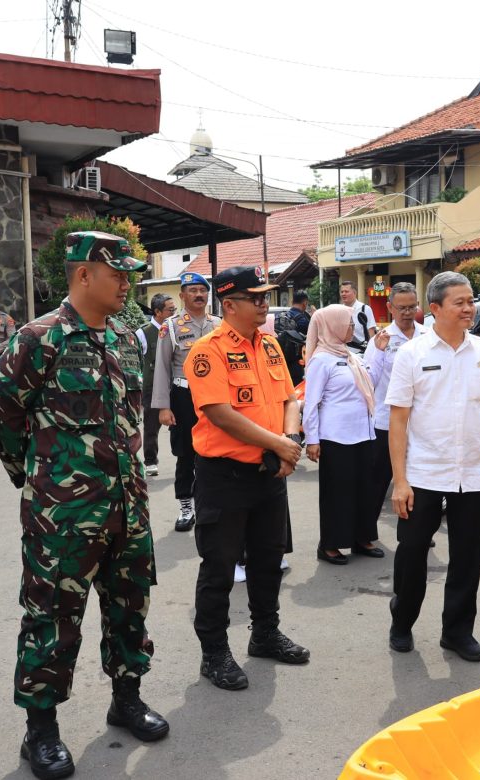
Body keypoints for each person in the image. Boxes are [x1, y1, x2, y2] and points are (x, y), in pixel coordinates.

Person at [0, 231, 168, 779]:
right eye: (118, 273)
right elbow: (2, 415)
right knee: (51, 620)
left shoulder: (126, 339)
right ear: (84, 273)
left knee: (129, 608)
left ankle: (126, 698)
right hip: (61, 517)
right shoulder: (40, 338)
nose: (126, 283)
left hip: (128, 508)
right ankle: (40, 730)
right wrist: (39, 478)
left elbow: (130, 421)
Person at [184, 264, 309, 691]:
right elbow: (220, 414)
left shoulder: (271, 344)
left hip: (269, 472)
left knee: (267, 559)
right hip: (225, 475)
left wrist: (288, 438)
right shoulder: (208, 351)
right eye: (254, 297)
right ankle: (214, 652)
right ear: (229, 303)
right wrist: (279, 445)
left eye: (265, 296)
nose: (263, 303)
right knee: (219, 567)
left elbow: (290, 396)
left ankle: (265, 633)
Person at [385, 271, 480, 662]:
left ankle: (457, 632)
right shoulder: (412, 354)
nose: (469, 308)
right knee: (412, 554)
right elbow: (399, 420)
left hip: (472, 474)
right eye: (460, 302)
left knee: (468, 557)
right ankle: (402, 621)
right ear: (435, 309)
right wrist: (400, 481)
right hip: (423, 473)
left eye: (471, 300)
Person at [303, 305, 388, 564]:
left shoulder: (350, 356)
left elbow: (369, 384)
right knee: (337, 494)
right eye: (349, 323)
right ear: (334, 326)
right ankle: (330, 544)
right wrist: (313, 440)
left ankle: (361, 538)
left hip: (362, 433)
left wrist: (380, 352)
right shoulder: (321, 360)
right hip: (335, 437)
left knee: (364, 490)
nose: (353, 327)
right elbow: (311, 402)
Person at [152, 271, 219, 531]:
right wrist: (163, 407)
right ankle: (186, 507)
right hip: (184, 397)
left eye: (203, 290)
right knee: (185, 453)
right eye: (193, 291)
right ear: (182, 296)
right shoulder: (171, 327)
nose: (199, 294)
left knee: (215, 451)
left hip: (214, 398)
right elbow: (162, 368)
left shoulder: (219, 325)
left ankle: (210, 503)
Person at [362, 282, 427, 536]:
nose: (407, 313)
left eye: (412, 307)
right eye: (401, 308)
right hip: (386, 424)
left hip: (420, 424)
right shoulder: (381, 340)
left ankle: (416, 532)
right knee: (377, 482)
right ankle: (365, 535)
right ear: (389, 308)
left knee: (418, 481)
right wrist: (379, 353)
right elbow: (369, 382)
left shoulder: (427, 336)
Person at [137, 293, 174, 478]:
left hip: (175, 384)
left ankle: (186, 459)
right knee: (151, 426)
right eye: (170, 310)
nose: (174, 313)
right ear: (158, 312)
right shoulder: (143, 333)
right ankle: (150, 461)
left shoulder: (176, 329)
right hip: (152, 386)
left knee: (181, 424)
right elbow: (136, 361)